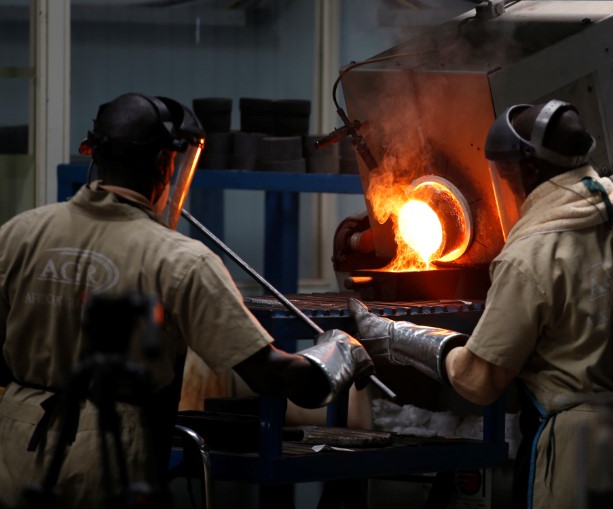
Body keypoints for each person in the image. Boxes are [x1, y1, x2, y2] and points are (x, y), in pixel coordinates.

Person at [0, 92, 374, 507]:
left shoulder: (20, 234)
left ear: (96, 155)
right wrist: (337, 354)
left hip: (16, 453)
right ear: (166, 164)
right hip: (107, 464)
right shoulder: (178, 260)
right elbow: (268, 375)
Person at [348, 99, 613, 509]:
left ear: (528, 170)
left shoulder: (530, 256)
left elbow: (478, 381)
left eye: (504, 172)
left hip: (583, 458)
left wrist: (393, 335)